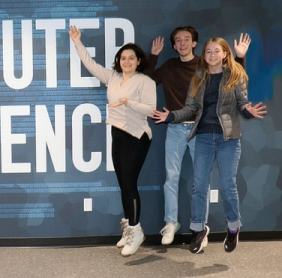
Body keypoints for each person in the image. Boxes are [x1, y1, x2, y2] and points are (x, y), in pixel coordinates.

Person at [153, 37, 267, 254]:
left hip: (228, 138)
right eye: (208, 52)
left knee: (227, 185)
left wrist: (248, 112)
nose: (212, 55)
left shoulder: (236, 75)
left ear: (225, 54)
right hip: (203, 137)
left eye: (216, 51)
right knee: (199, 186)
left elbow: (242, 104)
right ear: (204, 56)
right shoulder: (198, 77)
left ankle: (233, 227)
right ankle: (197, 230)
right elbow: (189, 109)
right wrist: (171, 116)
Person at [69, 26, 156, 257]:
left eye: (131, 58)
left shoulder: (145, 81)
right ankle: (129, 228)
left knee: (130, 184)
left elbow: (151, 110)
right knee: (123, 184)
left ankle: (137, 232)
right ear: (119, 61)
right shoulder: (113, 77)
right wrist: (78, 42)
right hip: (117, 133)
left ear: (139, 61)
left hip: (137, 136)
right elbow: (91, 65)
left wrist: (129, 102)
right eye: (123, 58)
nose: (127, 61)